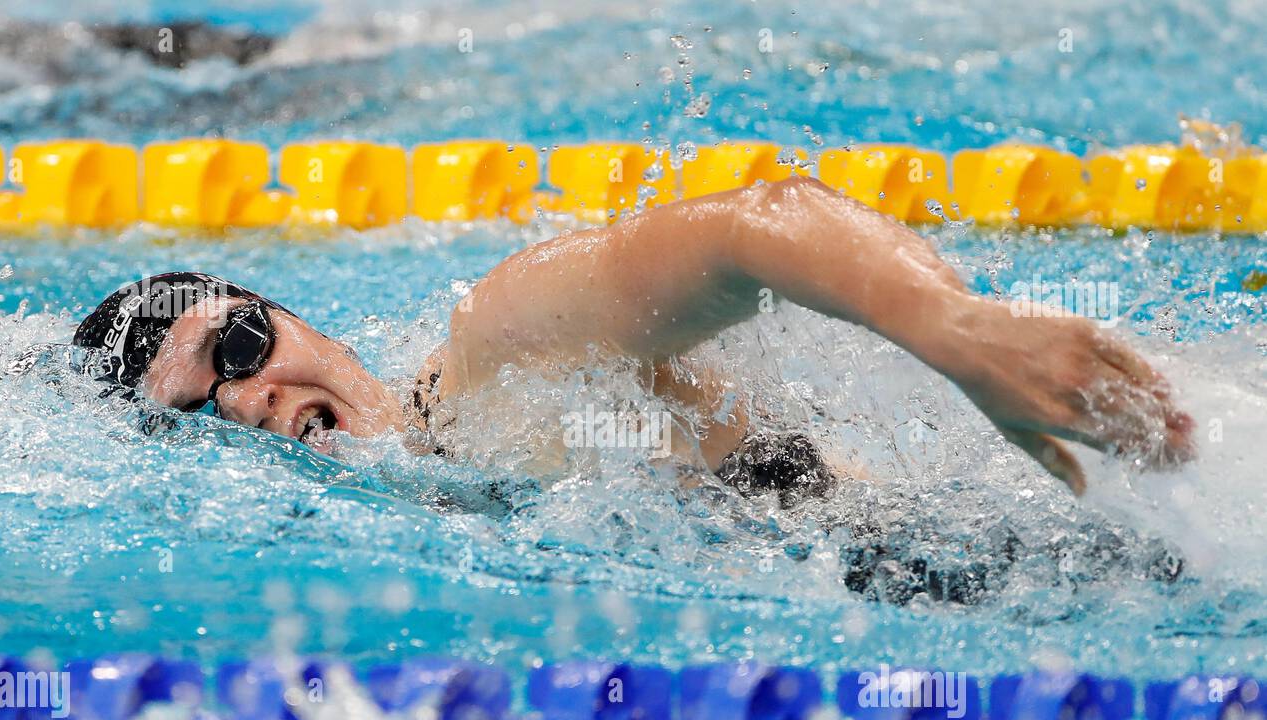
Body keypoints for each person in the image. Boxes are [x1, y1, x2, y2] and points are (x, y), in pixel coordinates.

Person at [73, 177, 1195, 499]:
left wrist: (956, 334)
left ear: (294, 314)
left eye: (237, 347)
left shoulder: (494, 352)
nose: (246, 396)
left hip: (1053, 501)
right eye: (196, 414)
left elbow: (755, 228)